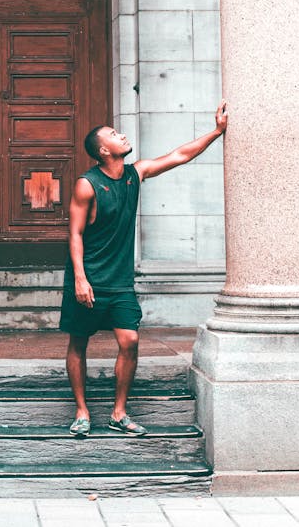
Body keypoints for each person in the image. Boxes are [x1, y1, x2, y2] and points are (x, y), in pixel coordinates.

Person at [60, 101, 228, 438]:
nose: (121, 135)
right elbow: (75, 233)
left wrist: (217, 132)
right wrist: (80, 278)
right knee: (79, 343)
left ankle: (118, 412)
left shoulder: (135, 174)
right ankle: (81, 411)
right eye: (113, 134)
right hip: (88, 277)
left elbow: (178, 155)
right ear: (103, 150)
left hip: (119, 281)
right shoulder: (87, 184)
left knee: (130, 340)